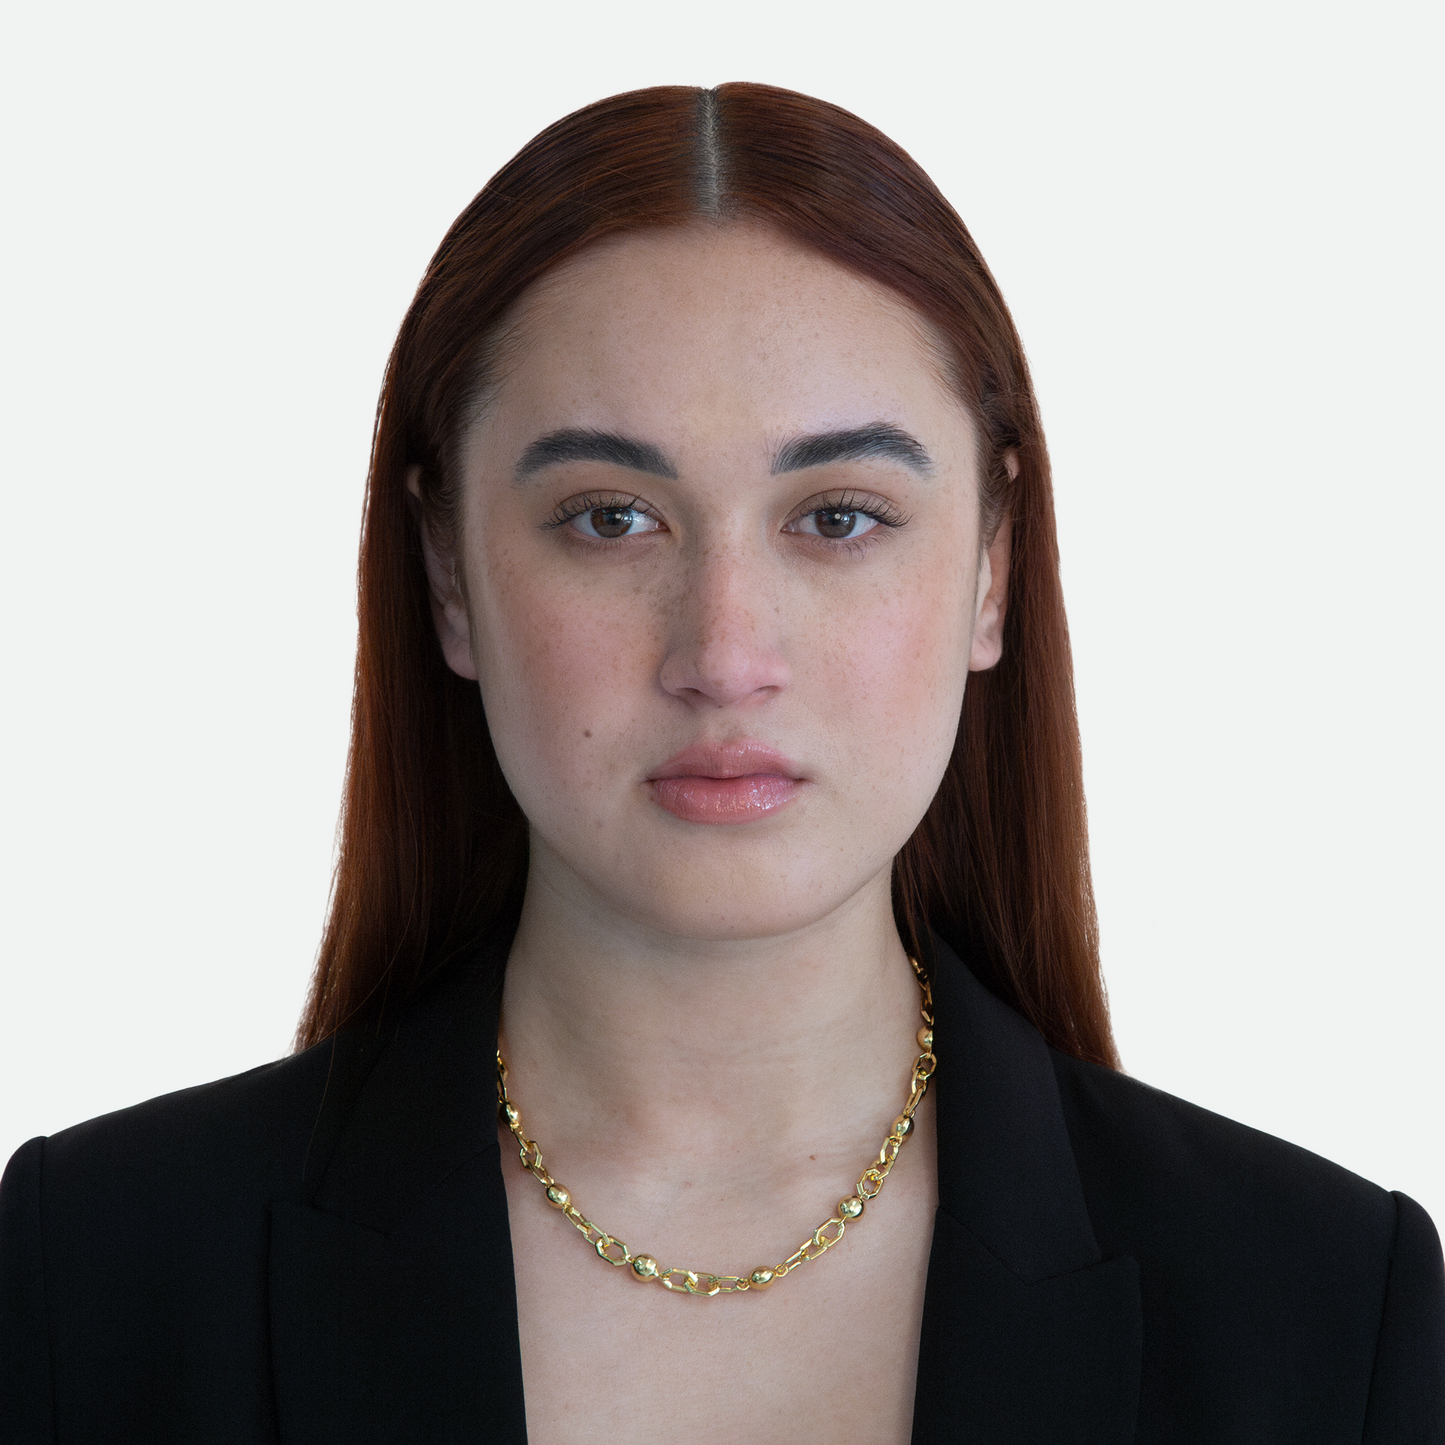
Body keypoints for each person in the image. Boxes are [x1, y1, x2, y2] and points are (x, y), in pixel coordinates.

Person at [1, 82, 1441, 1444]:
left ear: (993, 567)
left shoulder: (1327, 1308)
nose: (725, 650)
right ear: (449, 575)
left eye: (838, 517)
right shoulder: (92, 1281)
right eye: (612, 518)